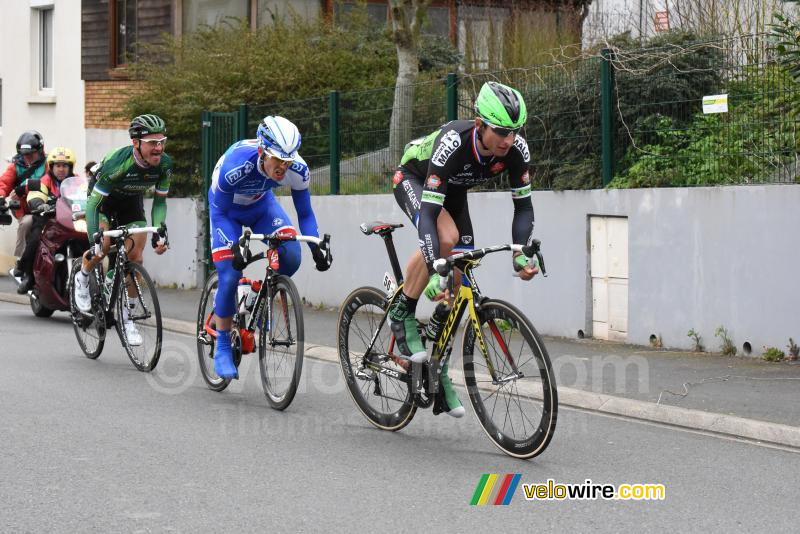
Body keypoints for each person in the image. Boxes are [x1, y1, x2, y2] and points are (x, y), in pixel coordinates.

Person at [389, 81, 539, 417]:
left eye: (515, 131)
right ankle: (402, 311)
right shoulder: (453, 143)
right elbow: (428, 215)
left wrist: (520, 254)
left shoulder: (516, 151)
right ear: (480, 125)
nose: (508, 140)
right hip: (414, 177)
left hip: (454, 191)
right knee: (447, 238)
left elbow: (524, 209)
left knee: (460, 278)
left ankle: (437, 367)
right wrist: (433, 264)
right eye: (501, 131)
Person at [208, 115, 332, 379]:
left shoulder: (297, 168)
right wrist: (234, 246)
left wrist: (316, 246)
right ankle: (221, 345)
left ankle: (255, 296)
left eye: (287, 161)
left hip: (261, 206)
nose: (283, 168)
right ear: (263, 152)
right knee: (230, 274)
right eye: (277, 160)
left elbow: (306, 214)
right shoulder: (236, 165)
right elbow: (219, 208)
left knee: (290, 256)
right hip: (226, 212)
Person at [72, 114, 171, 346]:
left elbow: (159, 202)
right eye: (152, 143)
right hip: (103, 202)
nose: (159, 148)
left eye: (162, 141)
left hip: (130, 202)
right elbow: (94, 204)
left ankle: (128, 319)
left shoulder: (165, 164)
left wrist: (160, 229)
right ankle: (83, 277)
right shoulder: (119, 164)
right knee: (102, 247)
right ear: (136, 143)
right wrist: (95, 237)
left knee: (136, 257)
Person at [15, 147, 79, 293]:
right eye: (57, 165)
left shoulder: (77, 181)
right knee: (35, 241)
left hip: (71, 220)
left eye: (65, 165)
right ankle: (28, 276)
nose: (61, 169)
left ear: (70, 167)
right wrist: (39, 203)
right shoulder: (44, 180)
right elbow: (35, 194)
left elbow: (87, 195)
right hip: (47, 218)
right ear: (51, 167)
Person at [0, 131, 48, 275]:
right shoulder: (16, 166)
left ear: (40, 151)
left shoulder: (48, 164)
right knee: (27, 223)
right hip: (24, 209)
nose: (27, 158)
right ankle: (19, 262)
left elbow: (51, 181)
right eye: (24, 154)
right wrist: (1, 197)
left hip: (46, 207)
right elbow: (3, 183)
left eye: (31, 154)